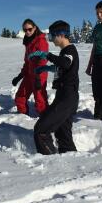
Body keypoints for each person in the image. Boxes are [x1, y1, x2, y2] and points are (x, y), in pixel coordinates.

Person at [29, 20, 79, 155]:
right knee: (63, 134)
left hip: (67, 97)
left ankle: (50, 162)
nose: (51, 40)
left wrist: (47, 55)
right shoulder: (66, 51)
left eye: (52, 36)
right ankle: (72, 159)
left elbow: (66, 63)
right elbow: (63, 67)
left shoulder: (69, 50)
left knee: (41, 129)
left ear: (61, 35)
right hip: (65, 96)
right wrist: (47, 68)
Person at [12, 19, 49, 116]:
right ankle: (22, 118)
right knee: (20, 97)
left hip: (39, 74)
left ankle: (46, 123)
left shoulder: (41, 41)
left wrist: (38, 77)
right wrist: (20, 75)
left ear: (35, 28)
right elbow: (27, 61)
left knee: (40, 101)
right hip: (29, 74)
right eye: (25, 30)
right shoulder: (28, 42)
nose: (27, 32)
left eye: (30, 29)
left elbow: (43, 60)